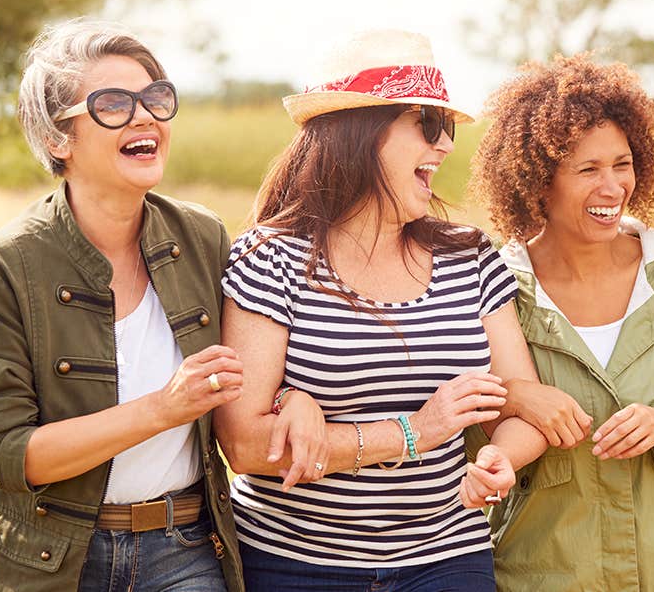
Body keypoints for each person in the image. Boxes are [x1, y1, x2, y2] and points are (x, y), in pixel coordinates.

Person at [212, 30, 547, 591]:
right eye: (428, 125)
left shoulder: (470, 255)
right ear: (361, 132)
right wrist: (415, 431)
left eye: (446, 129)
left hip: (448, 558)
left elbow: (519, 402)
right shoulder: (271, 258)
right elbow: (246, 445)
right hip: (293, 566)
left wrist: (503, 458)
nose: (444, 146)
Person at [0, 20, 244, 591]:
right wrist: (164, 408)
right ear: (58, 138)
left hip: (185, 549)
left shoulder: (203, 237)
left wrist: (297, 398)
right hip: (44, 561)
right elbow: (9, 453)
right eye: (113, 103)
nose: (145, 117)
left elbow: (252, 374)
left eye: (156, 99)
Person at [467, 53, 654, 592]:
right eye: (588, 169)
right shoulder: (496, 288)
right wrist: (516, 400)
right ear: (537, 182)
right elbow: (470, 427)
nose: (613, 187)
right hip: (546, 575)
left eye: (622, 163)